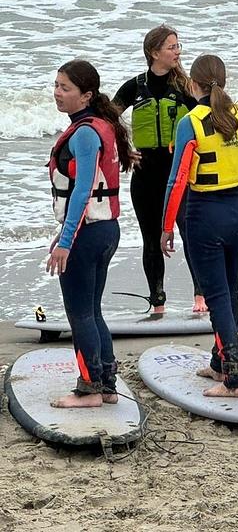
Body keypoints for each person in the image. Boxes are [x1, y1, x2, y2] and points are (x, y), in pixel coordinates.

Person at [160, 54, 238, 398]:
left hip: (204, 215)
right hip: (236, 210)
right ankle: (219, 363)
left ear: (193, 84)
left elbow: (177, 180)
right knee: (231, 291)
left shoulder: (191, 122)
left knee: (216, 296)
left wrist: (167, 226)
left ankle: (233, 378)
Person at [47, 59, 133, 407]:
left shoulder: (84, 133)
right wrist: (65, 235)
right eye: (56, 85)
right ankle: (107, 385)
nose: (57, 93)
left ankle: (89, 389)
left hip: (87, 234)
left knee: (80, 314)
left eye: (65, 88)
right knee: (93, 312)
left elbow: (83, 192)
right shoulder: (102, 125)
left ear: (86, 95)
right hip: (105, 230)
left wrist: (66, 241)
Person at [114, 25, 204, 313]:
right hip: (145, 177)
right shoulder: (134, 87)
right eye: (171, 47)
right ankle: (157, 301)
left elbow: (208, 119)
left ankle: (200, 295)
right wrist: (123, 151)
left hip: (179, 176)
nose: (178, 52)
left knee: (189, 234)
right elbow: (107, 121)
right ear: (154, 53)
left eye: (178, 46)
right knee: (151, 239)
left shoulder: (186, 88)